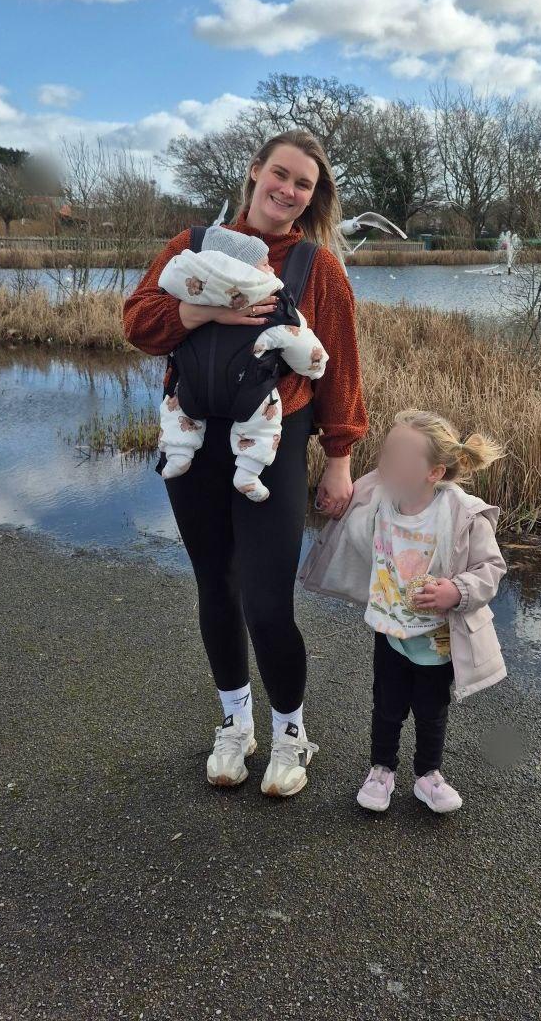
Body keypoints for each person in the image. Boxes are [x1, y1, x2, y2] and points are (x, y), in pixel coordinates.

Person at [123, 129, 368, 798]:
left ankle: (291, 733)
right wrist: (200, 310)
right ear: (256, 171)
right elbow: (138, 323)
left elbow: (339, 368)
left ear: (312, 198)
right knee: (215, 587)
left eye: (303, 184)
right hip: (195, 435)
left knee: (266, 601)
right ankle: (236, 725)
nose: (287, 190)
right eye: (280, 174)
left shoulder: (318, 268)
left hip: (273, 445)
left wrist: (339, 459)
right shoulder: (194, 244)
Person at [298, 409, 508, 814]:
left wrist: (457, 591)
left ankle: (428, 775)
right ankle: (381, 770)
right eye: (388, 452)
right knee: (387, 707)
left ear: (434, 472)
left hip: (437, 640)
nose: (388, 462)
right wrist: (330, 501)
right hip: (390, 631)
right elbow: (345, 508)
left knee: (432, 712)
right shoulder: (378, 496)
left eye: (402, 456)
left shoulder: (462, 514)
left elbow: (491, 569)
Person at [156, 222, 329, 501]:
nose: (271, 269)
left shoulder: (185, 295)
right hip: (249, 396)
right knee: (264, 424)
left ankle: (178, 453)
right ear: (242, 270)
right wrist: (317, 366)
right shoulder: (270, 307)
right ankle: (248, 472)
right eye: (264, 264)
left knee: (175, 409)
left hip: (192, 392)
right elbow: (303, 348)